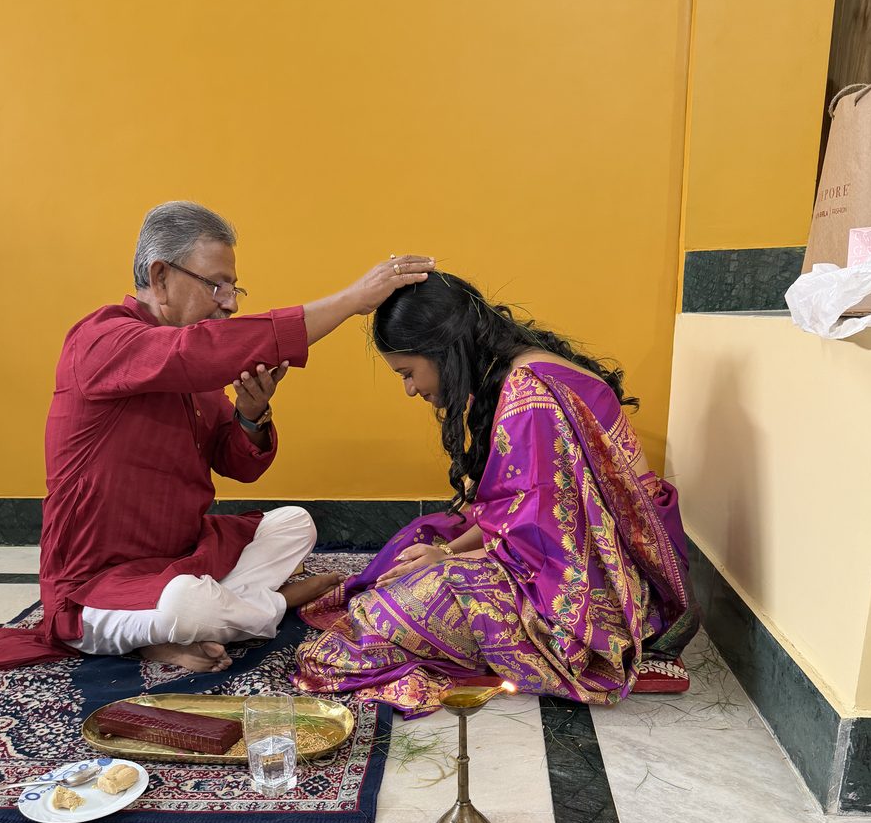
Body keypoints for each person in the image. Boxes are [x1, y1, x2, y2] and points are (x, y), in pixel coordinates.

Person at [0, 201, 434, 673]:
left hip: (184, 554)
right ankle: (267, 606)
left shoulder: (194, 369)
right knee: (186, 602)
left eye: (234, 288)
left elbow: (237, 463)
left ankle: (177, 629)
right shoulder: (101, 340)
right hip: (99, 579)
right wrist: (351, 300)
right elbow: (196, 352)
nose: (231, 303)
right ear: (160, 277)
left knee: (296, 524)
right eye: (217, 285)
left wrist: (251, 415)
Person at [294, 272, 698, 716]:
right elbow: (520, 514)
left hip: (600, 595)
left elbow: (546, 545)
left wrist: (449, 561)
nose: (410, 389)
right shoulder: (517, 372)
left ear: (442, 351)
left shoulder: (531, 395)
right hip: (577, 560)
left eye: (408, 373)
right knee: (419, 541)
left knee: (382, 618)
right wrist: (447, 552)